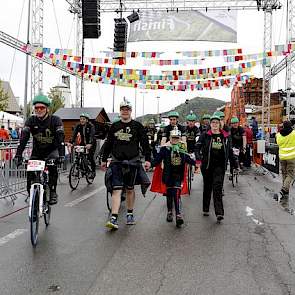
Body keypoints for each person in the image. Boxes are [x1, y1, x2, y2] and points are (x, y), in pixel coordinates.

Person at [101, 100, 151, 230]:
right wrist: (103, 159)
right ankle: (114, 217)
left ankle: (129, 214)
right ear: (120, 111)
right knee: (116, 189)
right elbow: (108, 144)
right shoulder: (114, 126)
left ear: (130, 111)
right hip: (117, 162)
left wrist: (148, 159)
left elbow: (145, 143)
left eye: (127, 109)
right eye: (123, 109)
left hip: (132, 162)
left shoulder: (137, 126)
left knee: (129, 189)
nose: (125, 111)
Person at [14, 94, 65, 205]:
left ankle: (52, 192)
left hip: (52, 151)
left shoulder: (55, 120)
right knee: (30, 174)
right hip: (38, 152)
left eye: (42, 107)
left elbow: (61, 138)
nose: (39, 110)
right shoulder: (31, 120)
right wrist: (18, 155)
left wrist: (61, 155)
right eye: (36, 108)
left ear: (47, 109)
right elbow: (23, 138)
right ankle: (32, 194)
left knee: (52, 168)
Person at [152, 127, 196, 227]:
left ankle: (178, 215)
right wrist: (150, 164)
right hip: (168, 176)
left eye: (177, 138)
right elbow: (157, 159)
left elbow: (189, 159)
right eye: (173, 138)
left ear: (179, 138)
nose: (175, 140)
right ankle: (169, 212)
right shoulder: (165, 149)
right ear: (170, 138)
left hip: (178, 176)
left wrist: (197, 163)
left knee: (176, 193)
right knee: (169, 194)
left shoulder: (182, 150)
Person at [195, 114, 234, 223]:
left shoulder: (225, 136)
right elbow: (197, 147)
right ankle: (206, 208)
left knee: (217, 188)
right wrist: (198, 159)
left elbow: (230, 151)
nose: (215, 124)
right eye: (213, 123)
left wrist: (234, 164)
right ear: (210, 124)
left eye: (217, 122)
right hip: (207, 166)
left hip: (220, 167)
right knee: (207, 187)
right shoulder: (205, 135)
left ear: (220, 124)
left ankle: (219, 213)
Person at [274, 121, 295, 209]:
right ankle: (284, 189)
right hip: (291, 157)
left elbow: (278, 143)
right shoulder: (294, 133)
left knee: (284, 174)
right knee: (290, 174)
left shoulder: (278, 135)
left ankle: (285, 191)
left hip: (282, 157)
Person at [69, 113, 96, 178]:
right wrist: (71, 142)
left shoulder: (91, 126)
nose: (82, 120)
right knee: (79, 156)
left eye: (83, 119)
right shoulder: (78, 125)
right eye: (81, 119)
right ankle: (78, 170)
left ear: (87, 120)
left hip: (91, 143)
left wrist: (90, 143)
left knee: (90, 157)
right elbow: (74, 134)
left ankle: (92, 171)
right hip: (83, 143)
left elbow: (91, 135)